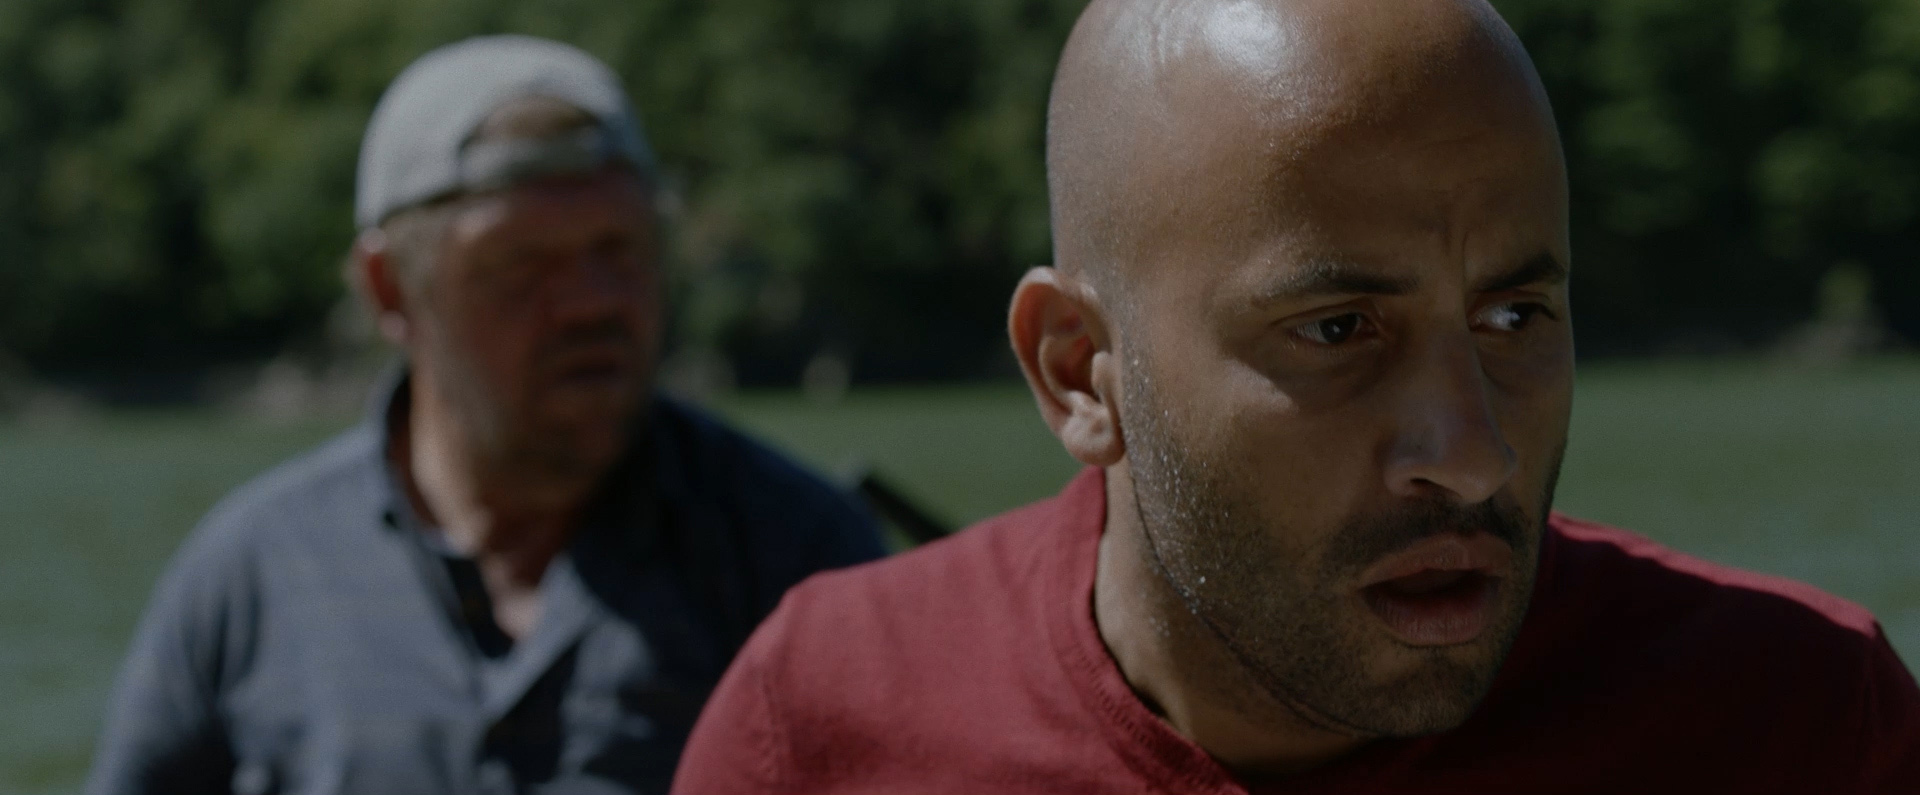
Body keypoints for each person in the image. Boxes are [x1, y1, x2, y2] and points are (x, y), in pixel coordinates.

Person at [671, 0, 1920, 792]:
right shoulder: (822, 724)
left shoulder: (1797, 727)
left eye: (1513, 318)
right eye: (1337, 330)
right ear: (1077, 370)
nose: (1471, 453)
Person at [87, 35, 885, 795]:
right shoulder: (254, 575)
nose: (591, 302)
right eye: (522, 264)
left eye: (621, 249)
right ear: (390, 288)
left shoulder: (797, 556)